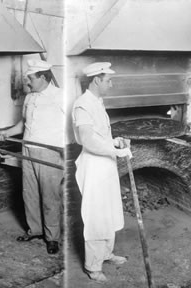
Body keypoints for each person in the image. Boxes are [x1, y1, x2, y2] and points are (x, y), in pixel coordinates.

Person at [0, 59, 64, 255]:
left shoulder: (60, 97)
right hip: (27, 149)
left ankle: (52, 238)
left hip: (49, 152)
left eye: (31, 78)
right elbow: (22, 125)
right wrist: (6, 133)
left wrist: (64, 149)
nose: (28, 82)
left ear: (43, 77)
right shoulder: (29, 98)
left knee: (50, 196)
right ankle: (35, 230)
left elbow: (70, 127)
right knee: (30, 193)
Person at [72, 62, 132, 282]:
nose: (111, 84)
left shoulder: (97, 102)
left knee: (108, 212)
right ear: (97, 80)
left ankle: (106, 253)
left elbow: (98, 135)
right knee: (96, 216)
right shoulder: (83, 105)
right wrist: (116, 152)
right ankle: (92, 266)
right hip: (94, 166)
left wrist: (114, 142)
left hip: (105, 164)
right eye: (108, 80)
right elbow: (87, 140)